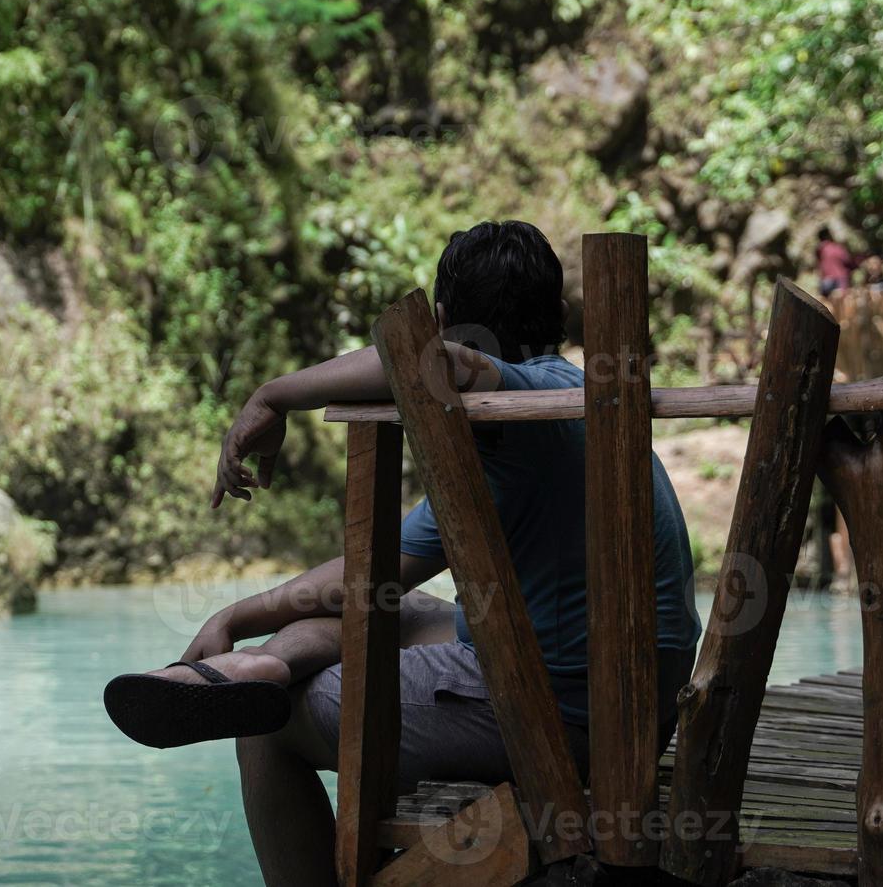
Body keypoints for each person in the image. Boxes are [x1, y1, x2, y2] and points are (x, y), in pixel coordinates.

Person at [103, 220, 702, 887]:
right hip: (633, 694)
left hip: (567, 716)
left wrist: (271, 396)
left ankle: (264, 686)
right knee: (388, 604)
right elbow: (370, 574)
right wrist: (237, 617)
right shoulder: (582, 395)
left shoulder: (519, 402)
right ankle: (261, 663)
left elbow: (435, 363)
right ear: (559, 316)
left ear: (444, 321)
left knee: (269, 731)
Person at [816, 226, 858, 296]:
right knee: (843, 302)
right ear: (828, 235)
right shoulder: (836, 247)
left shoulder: (819, 250)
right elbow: (847, 260)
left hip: (826, 280)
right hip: (839, 279)